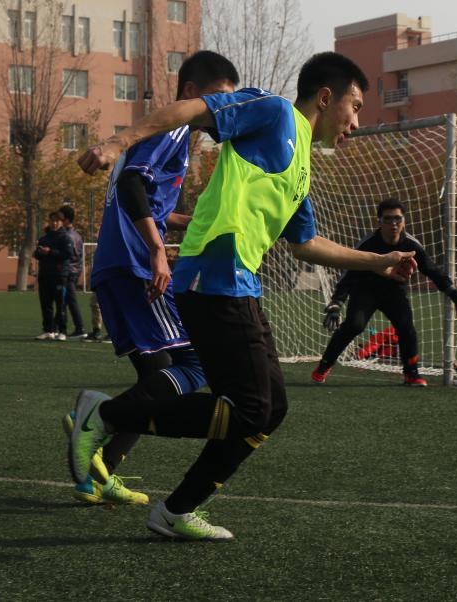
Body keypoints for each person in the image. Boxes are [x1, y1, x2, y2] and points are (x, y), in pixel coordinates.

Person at [68, 52, 417, 541]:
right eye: (354, 107)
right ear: (325, 98)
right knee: (250, 409)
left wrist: (378, 260)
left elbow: (305, 244)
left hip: (238, 284)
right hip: (211, 276)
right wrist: (118, 141)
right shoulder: (274, 112)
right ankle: (106, 416)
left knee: (270, 410)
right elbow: (192, 110)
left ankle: (175, 511)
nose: (356, 123)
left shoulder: (301, 164)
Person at [63, 51, 241, 506]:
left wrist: (189, 222)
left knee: (157, 376)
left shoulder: (171, 135)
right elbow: (130, 186)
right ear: (190, 92)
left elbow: (148, 202)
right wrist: (159, 251)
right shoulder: (173, 128)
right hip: (136, 266)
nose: (222, 109)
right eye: (218, 97)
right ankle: (98, 415)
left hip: (123, 263)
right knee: (194, 365)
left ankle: (101, 471)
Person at [311, 198, 457, 387]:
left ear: (404, 221)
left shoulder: (411, 245)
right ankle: (324, 366)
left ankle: (411, 374)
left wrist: (452, 291)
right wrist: (336, 302)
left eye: (398, 219)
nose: (393, 223)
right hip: (365, 290)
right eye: (388, 219)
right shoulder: (368, 244)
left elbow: (431, 270)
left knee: (406, 327)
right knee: (355, 325)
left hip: (394, 291)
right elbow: (349, 274)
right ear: (379, 221)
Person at [33, 211, 73, 341]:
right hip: (45, 274)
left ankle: (62, 331)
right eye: (52, 221)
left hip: (59, 275)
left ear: (61, 222)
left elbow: (67, 254)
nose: (54, 223)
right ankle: (48, 330)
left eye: (57, 221)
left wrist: (50, 252)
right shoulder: (44, 238)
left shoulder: (65, 238)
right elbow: (36, 254)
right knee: (46, 304)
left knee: (60, 304)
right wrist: (39, 252)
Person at [58, 205, 87, 339]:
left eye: (60, 218)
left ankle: (80, 328)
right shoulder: (75, 234)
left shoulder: (69, 236)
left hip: (69, 272)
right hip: (73, 271)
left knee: (70, 299)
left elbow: (70, 256)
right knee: (67, 300)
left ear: (66, 219)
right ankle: (69, 328)